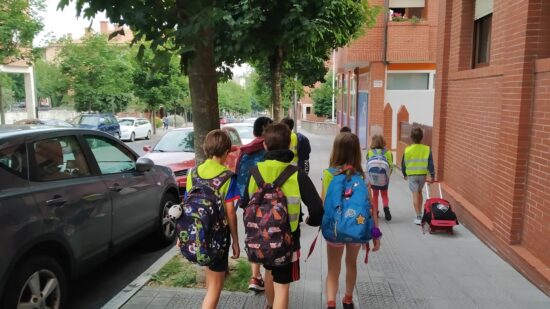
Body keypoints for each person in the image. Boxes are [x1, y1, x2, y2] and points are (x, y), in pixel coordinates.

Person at [241, 123, 324, 309]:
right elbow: (317, 208)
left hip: (261, 238)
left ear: (265, 145)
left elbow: (244, 204)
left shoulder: (254, 172)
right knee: (282, 287)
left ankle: (269, 306)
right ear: (289, 146)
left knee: (269, 272)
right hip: (287, 239)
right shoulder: (296, 174)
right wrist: (312, 221)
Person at [322, 132, 381, 309]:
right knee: (351, 263)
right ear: (357, 152)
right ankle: (348, 300)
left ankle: (331, 303)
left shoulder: (328, 174)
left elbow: (324, 202)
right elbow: (371, 207)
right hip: (357, 228)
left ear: (336, 151)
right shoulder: (363, 177)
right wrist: (375, 233)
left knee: (333, 269)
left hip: (335, 230)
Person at [185, 130, 241, 309]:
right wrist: (236, 242)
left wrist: (182, 237)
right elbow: (230, 213)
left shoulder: (192, 173)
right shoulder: (227, 177)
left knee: (211, 280)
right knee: (216, 286)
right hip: (218, 238)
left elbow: (186, 206)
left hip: (197, 235)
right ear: (226, 152)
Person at [235, 116, 273, 292]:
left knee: (253, 238)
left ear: (254, 131)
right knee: (269, 238)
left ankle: (255, 277)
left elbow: (238, 176)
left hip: (247, 203)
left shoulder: (244, 151)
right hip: (268, 204)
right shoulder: (269, 150)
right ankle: (268, 276)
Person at [401, 127, 435, 225]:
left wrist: (404, 173)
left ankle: (418, 215)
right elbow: (430, 163)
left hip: (412, 175)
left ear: (411, 137)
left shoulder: (407, 149)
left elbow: (403, 163)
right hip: (422, 174)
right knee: (419, 192)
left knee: (415, 194)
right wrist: (432, 175)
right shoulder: (427, 149)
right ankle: (420, 212)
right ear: (421, 137)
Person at [367, 134, 394, 221]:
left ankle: (376, 211)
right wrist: (388, 176)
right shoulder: (388, 152)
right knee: (384, 194)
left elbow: (368, 165)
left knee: (375, 195)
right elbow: (391, 166)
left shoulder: (370, 152)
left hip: (374, 178)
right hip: (384, 178)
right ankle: (386, 208)